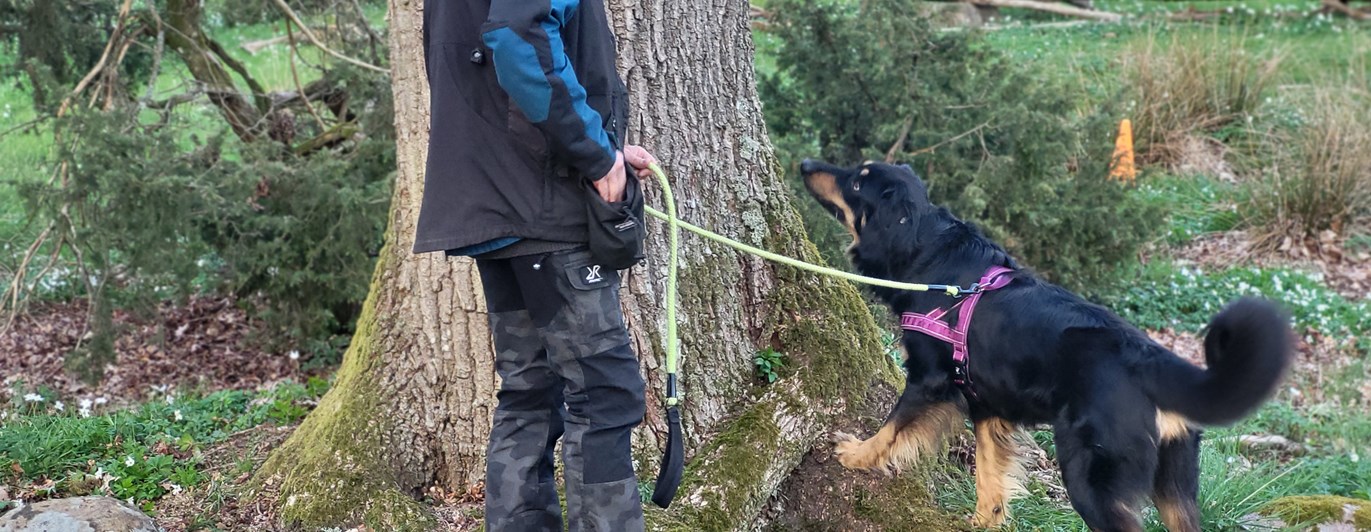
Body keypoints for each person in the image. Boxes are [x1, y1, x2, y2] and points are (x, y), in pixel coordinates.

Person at [417, 1, 657, 531]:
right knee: (603, 392)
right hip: (542, 209)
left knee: (531, 395)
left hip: (501, 200)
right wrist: (595, 155)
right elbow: (515, 33)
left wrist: (601, 146)